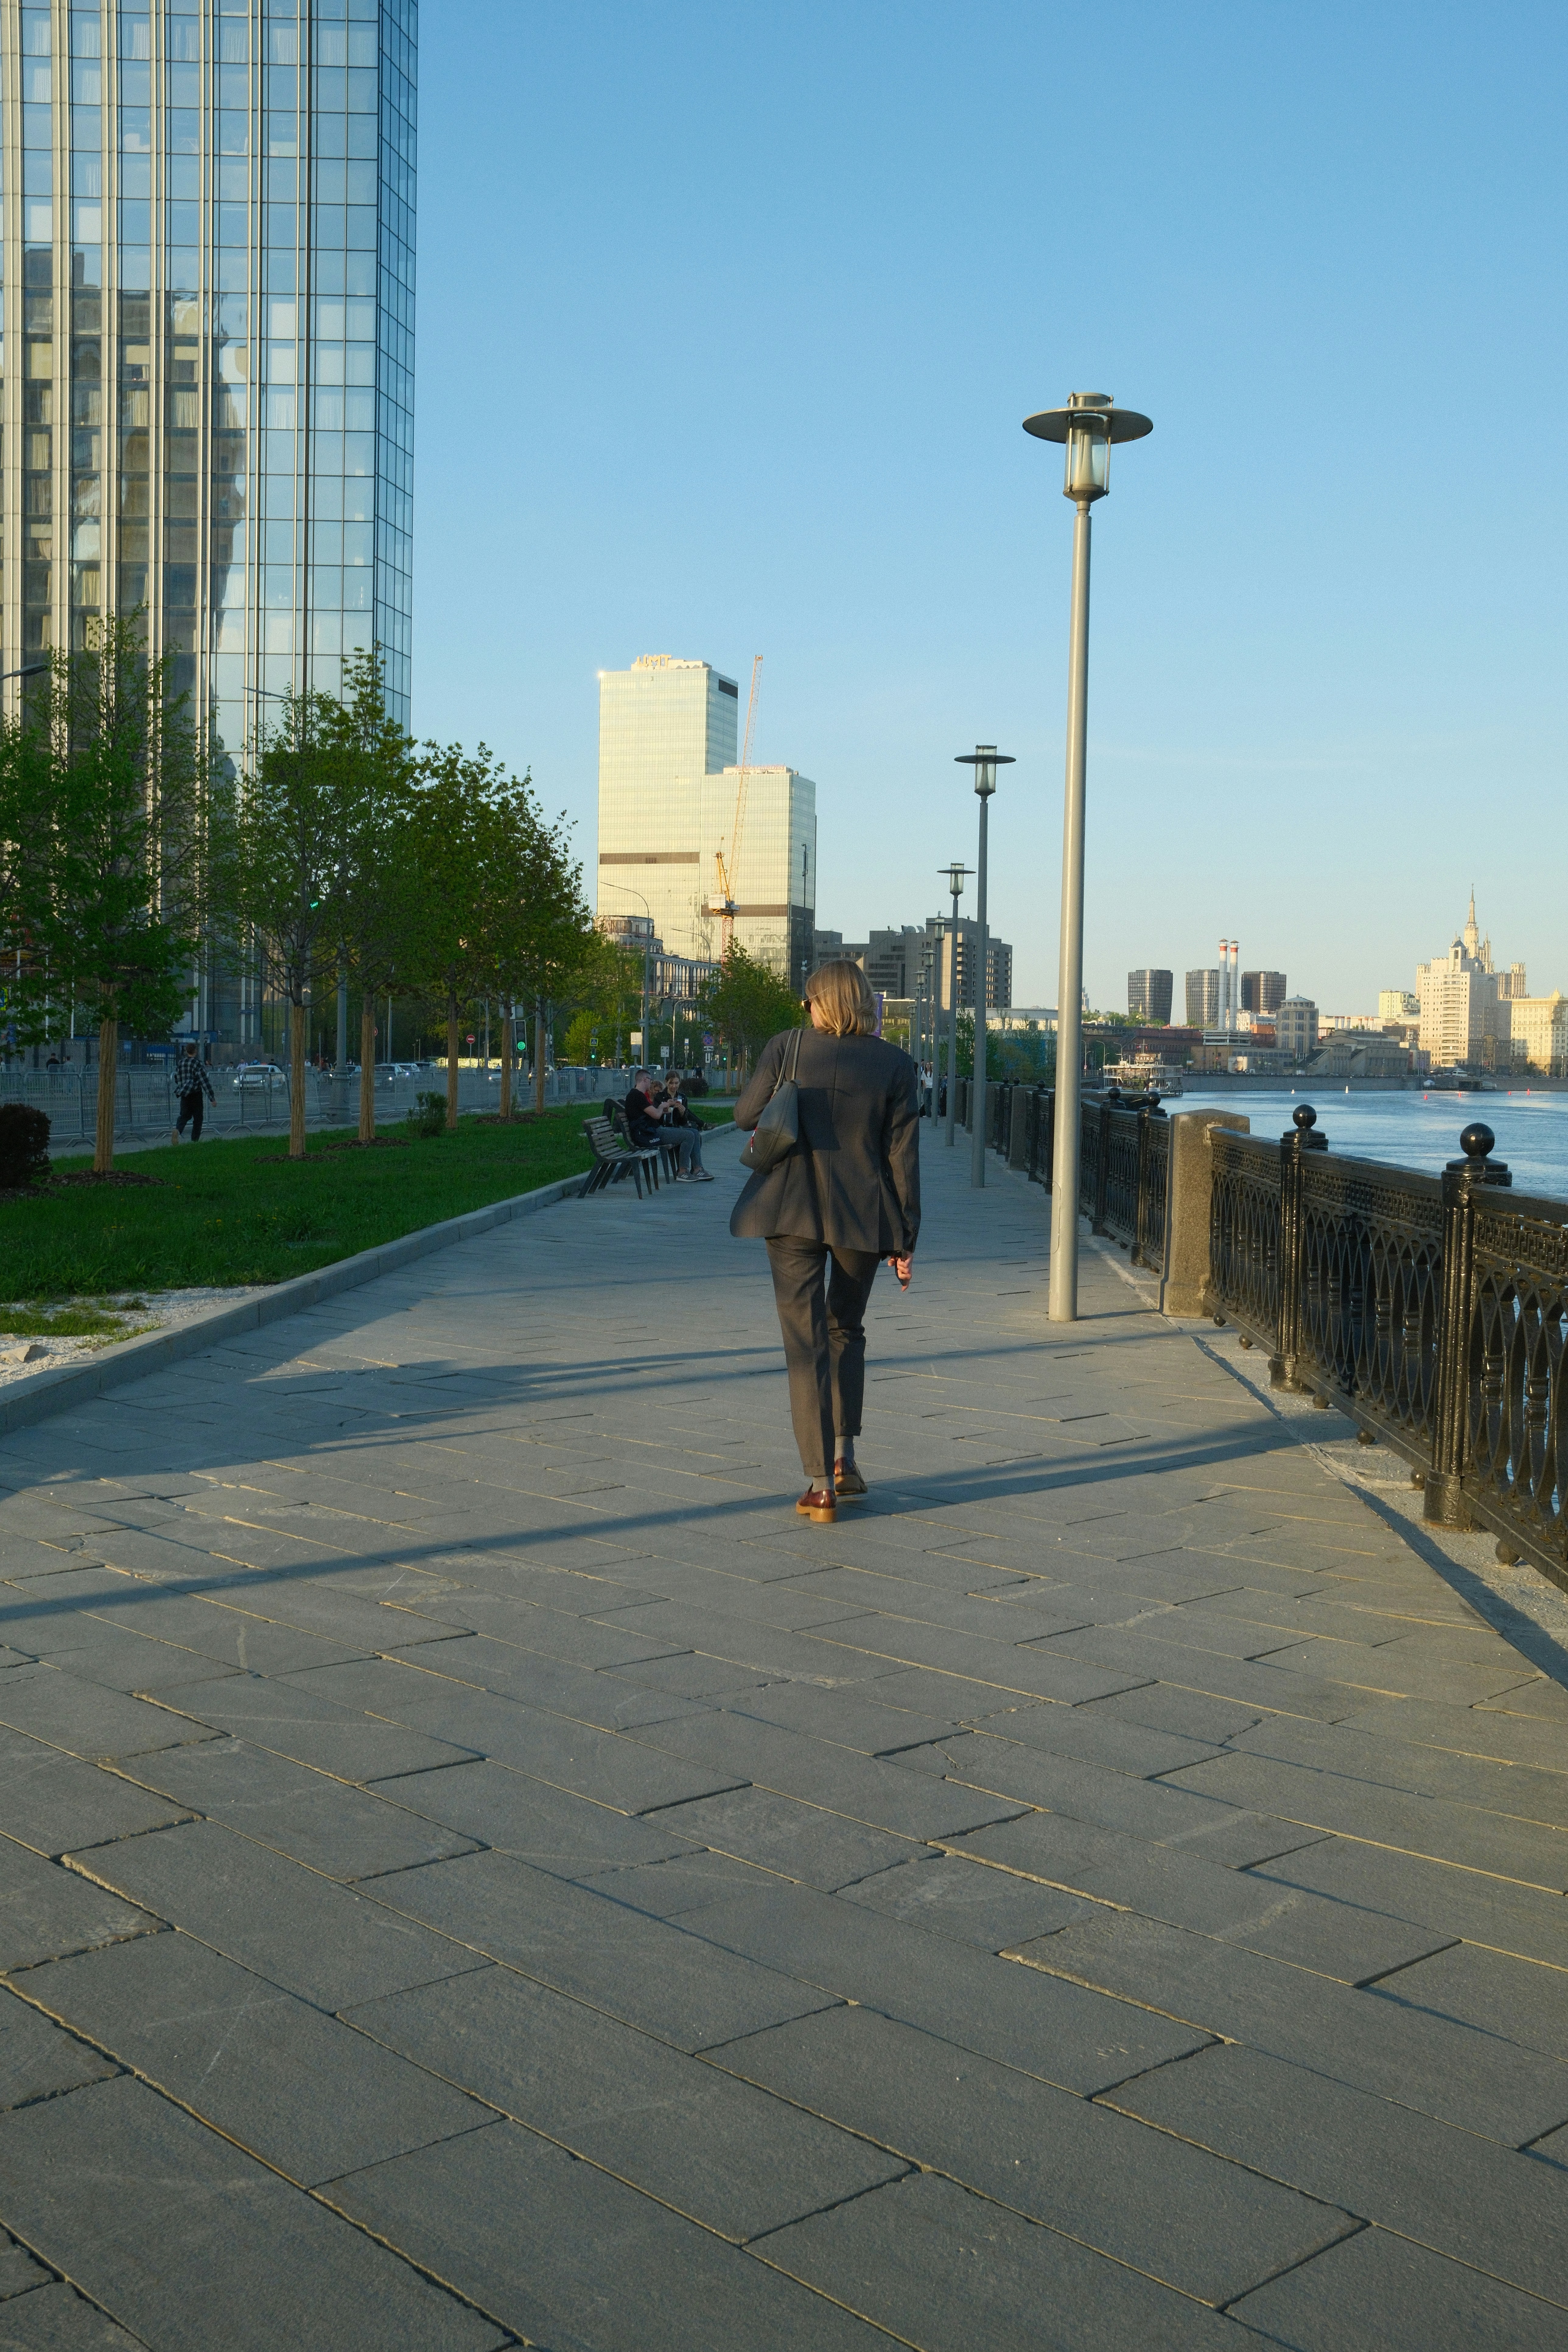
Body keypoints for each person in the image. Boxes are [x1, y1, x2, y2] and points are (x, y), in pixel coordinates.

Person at [732, 959, 919, 1523]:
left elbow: (745, 1116)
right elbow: (903, 1158)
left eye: (808, 1000)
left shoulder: (786, 1047)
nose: (806, 1010)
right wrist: (905, 1238)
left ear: (819, 1002)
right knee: (846, 1329)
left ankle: (818, 1487)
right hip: (863, 1218)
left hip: (788, 1210)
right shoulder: (896, 1063)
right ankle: (846, 1459)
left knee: (804, 1341)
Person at [623, 1069, 711, 1181]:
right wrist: (662, 1106)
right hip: (648, 1135)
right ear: (645, 1079)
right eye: (651, 1080)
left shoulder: (637, 1095)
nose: (651, 1083)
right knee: (689, 1136)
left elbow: (650, 1115)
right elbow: (656, 1115)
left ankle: (698, 1170)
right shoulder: (637, 1095)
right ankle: (682, 1172)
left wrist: (665, 1111)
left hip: (650, 1131)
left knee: (694, 1132)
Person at [171, 1046, 215, 1143]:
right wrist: (212, 1098)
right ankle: (195, 1141)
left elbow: (176, 1078)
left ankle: (178, 1131)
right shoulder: (197, 1063)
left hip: (185, 1095)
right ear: (196, 1052)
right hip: (196, 1094)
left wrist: (184, 1086)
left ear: (187, 1052)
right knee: (198, 1119)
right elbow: (204, 1081)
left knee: (184, 1116)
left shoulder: (181, 1063)